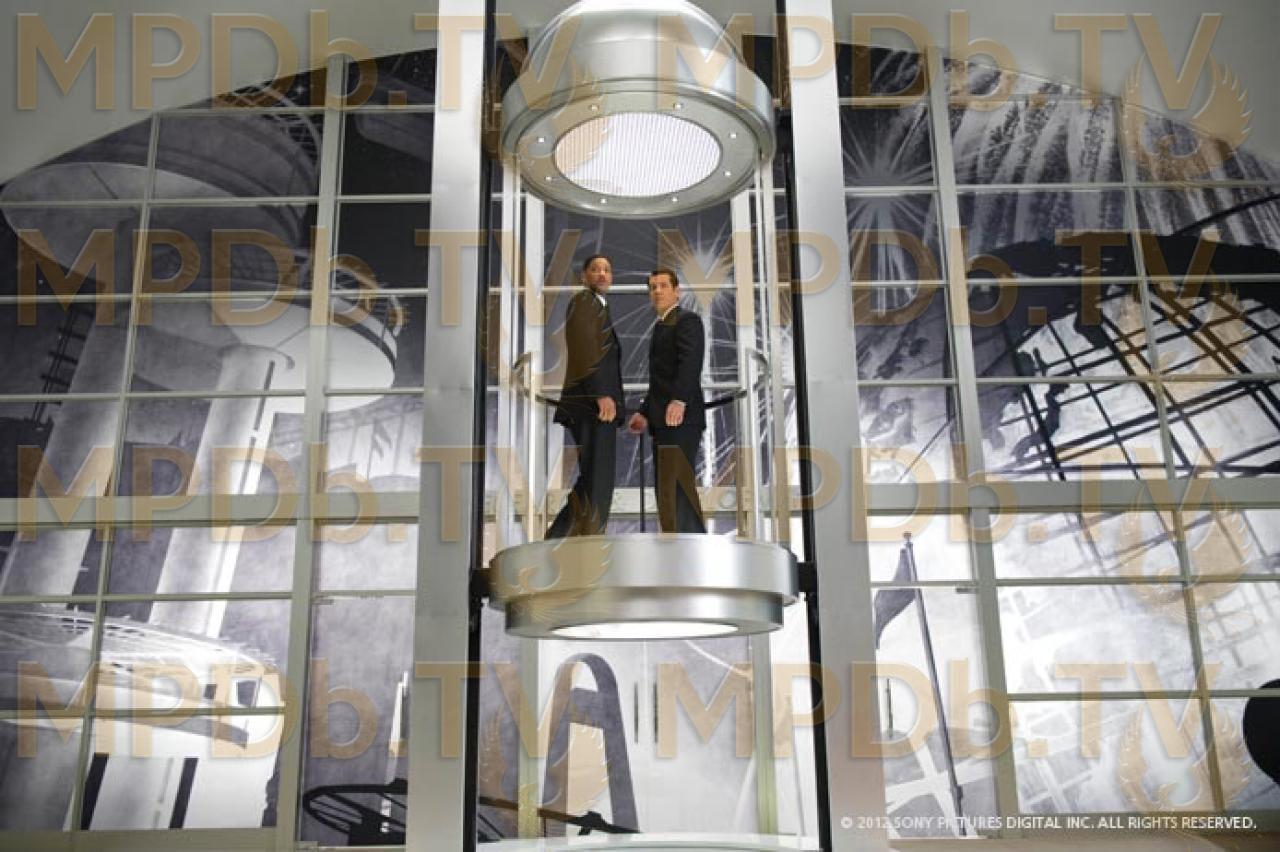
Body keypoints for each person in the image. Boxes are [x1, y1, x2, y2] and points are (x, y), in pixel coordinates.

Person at [546, 254, 624, 538]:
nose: (602, 274)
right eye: (595, 269)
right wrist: (600, 393)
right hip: (593, 406)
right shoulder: (584, 303)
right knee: (598, 479)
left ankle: (558, 538)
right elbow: (586, 350)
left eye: (607, 270)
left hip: (594, 406)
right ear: (583, 277)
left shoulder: (597, 306)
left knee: (592, 478)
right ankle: (590, 541)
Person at [628, 268, 707, 533]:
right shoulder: (662, 325)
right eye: (652, 287)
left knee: (678, 487)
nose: (657, 291)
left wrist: (680, 400)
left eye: (663, 286)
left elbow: (690, 362)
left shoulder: (687, 320)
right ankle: (675, 543)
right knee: (667, 489)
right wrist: (644, 412)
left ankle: (692, 546)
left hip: (680, 418)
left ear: (677, 291)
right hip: (665, 421)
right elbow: (660, 381)